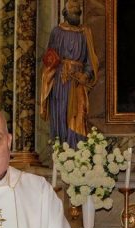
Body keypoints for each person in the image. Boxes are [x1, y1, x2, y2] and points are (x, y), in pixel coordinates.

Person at [39, 0, 98, 147]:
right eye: (73, 13)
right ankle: (61, 149)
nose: (76, 16)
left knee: (78, 115)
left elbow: (91, 59)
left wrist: (86, 74)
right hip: (60, 81)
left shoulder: (85, 33)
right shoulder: (57, 32)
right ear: (65, 14)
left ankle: (77, 150)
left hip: (78, 82)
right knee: (60, 112)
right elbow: (50, 57)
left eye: (78, 13)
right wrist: (53, 67)